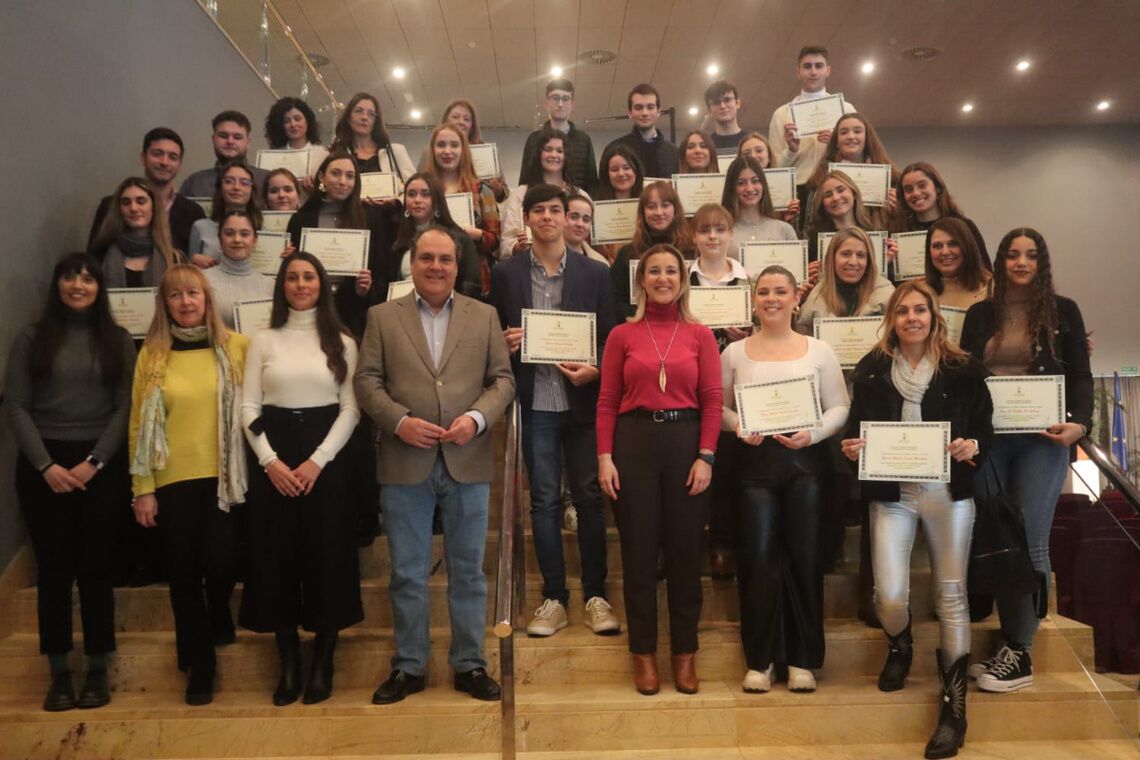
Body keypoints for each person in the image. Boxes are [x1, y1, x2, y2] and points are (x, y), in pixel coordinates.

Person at [355, 226, 515, 705]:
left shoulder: (484, 315)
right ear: (412, 262)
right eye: (427, 258)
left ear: (457, 265)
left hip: (467, 459)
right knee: (406, 571)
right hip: (406, 461)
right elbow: (366, 381)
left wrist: (476, 418)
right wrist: (399, 422)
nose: (436, 267)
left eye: (445, 259)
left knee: (468, 571)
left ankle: (469, 664)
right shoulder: (383, 317)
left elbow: (502, 381)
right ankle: (409, 666)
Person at [842, 279, 993, 758]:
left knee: (952, 596)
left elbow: (984, 429)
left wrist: (973, 445)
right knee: (888, 595)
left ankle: (953, 708)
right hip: (892, 494)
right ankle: (900, 644)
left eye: (920, 310)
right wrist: (852, 448)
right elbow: (853, 432)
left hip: (948, 494)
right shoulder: (870, 371)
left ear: (934, 317)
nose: (911, 317)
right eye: (902, 310)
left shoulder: (963, 370)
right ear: (892, 318)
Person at [960, 228, 1092, 694]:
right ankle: (1009, 645)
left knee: (1030, 537)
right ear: (1000, 262)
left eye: (1030, 255)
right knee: (997, 535)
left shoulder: (1064, 311)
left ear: (1042, 262)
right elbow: (967, 376)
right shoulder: (980, 314)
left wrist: (1081, 424)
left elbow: (1080, 374)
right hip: (990, 441)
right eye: (1012, 255)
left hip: (1042, 441)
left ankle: (1021, 652)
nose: (1021, 262)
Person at [4, 253, 135, 712]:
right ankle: (59, 671)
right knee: (55, 571)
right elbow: (16, 405)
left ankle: (98, 667)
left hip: (100, 464)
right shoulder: (31, 338)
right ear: (57, 284)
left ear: (100, 288)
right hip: (45, 466)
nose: (78, 285)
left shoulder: (117, 340)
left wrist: (95, 461)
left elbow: (125, 408)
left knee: (97, 568)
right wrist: (46, 466)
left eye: (87, 279)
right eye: (69, 277)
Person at [491, 184, 619, 637]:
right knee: (544, 501)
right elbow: (493, 335)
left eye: (556, 210)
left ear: (569, 218)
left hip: (582, 400)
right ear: (525, 218)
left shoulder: (595, 273)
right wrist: (505, 343)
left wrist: (597, 368)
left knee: (588, 498)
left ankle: (596, 596)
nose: (548, 217)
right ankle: (553, 598)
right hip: (536, 403)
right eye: (539, 210)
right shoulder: (505, 274)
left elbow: (612, 338)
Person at [597, 243, 722, 696]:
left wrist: (706, 455)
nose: (663, 278)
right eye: (655, 271)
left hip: (686, 443)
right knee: (639, 556)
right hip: (634, 445)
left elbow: (713, 400)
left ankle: (684, 655)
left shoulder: (700, 335)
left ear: (682, 280)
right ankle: (644, 655)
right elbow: (607, 400)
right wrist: (605, 457)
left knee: (687, 555)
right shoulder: (621, 336)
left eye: (672, 271)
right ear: (642, 280)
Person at [239, 252, 363, 706]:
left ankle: (322, 662)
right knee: (276, 560)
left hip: (325, 463)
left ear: (323, 284)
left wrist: (318, 460)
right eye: (292, 277)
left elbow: (351, 408)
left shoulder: (343, 343)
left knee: (327, 559)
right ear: (282, 286)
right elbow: (248, 407)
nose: (301, 284)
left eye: (309, 276)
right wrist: (270, 461)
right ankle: (288, 663)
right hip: (275, 463)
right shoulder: (263, 339)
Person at [722, 264, 849, 695]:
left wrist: (812, 433)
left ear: (797, 298)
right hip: (755, 468)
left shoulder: (819, 350)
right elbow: (717, 408)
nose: (772, 299)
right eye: (763, 293)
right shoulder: (734, 354)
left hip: (805, 466)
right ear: (753, 301)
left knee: (805, 558)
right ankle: (759, 661)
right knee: (757, 559)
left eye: (781, 291)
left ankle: (802, 659)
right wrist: (739, 424)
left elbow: (839, 406)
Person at [128, 265, 249, 706]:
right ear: (165, 303)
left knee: (221, 565)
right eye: (175, 295)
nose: (185, 301)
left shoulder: (236, 347)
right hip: (171, 479)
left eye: (193, 293)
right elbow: (139, 421)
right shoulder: (152, 355)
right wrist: (143, 487)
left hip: (224, 478)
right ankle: (201, 666)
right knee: (181, 576)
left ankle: (218, 608)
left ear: (207, 298)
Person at [688, 204, 750, 579]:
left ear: (731, 234)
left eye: (720, 229)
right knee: (686, 465)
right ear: (693, 235)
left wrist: (748, 334)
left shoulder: (748, 281)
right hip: (686, 382)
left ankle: (722, 543)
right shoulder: (681, 277)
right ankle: (683, 544)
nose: (712, 237)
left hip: (732, 387)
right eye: (705, 230)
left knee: (724, 468)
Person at [285, 150, 399, 338]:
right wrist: (288, 259)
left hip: (355, 316)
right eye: (335, 173)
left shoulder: (370, 218)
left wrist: (366, 289)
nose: (342, 181)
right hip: (311, 312)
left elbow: (383, 273)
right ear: (322, 176)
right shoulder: (301, 220)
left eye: (350, 176)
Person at [88, 127, 205, 254]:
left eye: (172, 157)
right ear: (143, 158)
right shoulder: (110, 206)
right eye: (157, 154)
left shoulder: (193, 212)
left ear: (179, 165)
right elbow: (93, 263)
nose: (164, 162)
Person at [767, 46, 857, 201]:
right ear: (798, 72)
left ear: (828, 71)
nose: (813, 72)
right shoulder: (781, 114)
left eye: (819, 66)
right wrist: (791, 150)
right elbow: (773, 169)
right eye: (807, 66)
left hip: (838, 188)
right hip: (798, 190)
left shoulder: (846, 110)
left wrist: (836, 147)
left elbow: (861, 157)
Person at [423, 123, 502, 293]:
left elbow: (495, 240)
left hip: (473, 279)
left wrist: (477, 235)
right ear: (433, 150)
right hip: (431, 277)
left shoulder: (482, 190)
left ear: (463, 150)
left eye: (454, 145)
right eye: (441, 145)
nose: (447, 151)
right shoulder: (424, 191)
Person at [387, 172, 482, 299]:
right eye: (411, 194)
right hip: (404, 312)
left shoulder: (459, 239)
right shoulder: (396, 241)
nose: (417, 200)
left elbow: (471, 285)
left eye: (425, 194)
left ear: (437, 200)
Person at [610, 181, 694, 318]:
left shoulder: (691, 251)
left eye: (665, 205)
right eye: (651, 207)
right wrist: (639, 318)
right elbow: (616, 300)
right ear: (643, 212)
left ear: (675, 209)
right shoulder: (627, 254)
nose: (658, 212)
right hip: (639, 329)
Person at [499, 128, 586, 260]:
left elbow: (589, 240)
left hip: (574, 269)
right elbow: (505, 244)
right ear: (538, 154)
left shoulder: (581, 196)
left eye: (559, 151)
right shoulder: (519, 195)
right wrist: (518, 246)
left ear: (566, 156)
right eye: (548, 149)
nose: (554, 155)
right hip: (529, 267)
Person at [803, 113, 899, 231]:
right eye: (844, 132)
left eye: (857, 131)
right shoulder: (821, 178)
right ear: (836, 141)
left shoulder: (890, 179)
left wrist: (896, 212)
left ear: (867, 138)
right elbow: (811, 223)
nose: (851, 136)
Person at [893, 162, 991, 271]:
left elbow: (985, 270)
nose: (915, 193)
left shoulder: (964, 226)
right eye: (908, 189)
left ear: (938, 188)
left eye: (922, 185)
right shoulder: (899, 233)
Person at [797, 228, 895, 333]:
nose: (853, 262)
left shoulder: (888, 298)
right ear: (832, 258)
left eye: (860, 255)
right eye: (846, 254)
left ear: (868, 261)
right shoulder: (814, 300)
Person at [90, 177, 182, 288]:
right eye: (126, 202)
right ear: (119, 209)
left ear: (154, 206)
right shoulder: (100, 255)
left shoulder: (173, 258)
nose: (133, 208)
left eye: (141, 201)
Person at [519, 79, 598, 195]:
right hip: (541, 202)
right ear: (546, 103)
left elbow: (592, 182)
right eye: (555, 98)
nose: (560, 104)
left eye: (565, 99)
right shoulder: (534, 139)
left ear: (571, 105)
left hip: (576, 203)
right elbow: (525, 179)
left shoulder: (584, 140)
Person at [420, 99, 508, 202]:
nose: (461, 122)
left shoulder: (487, 152)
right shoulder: (430, 152)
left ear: (472, 125)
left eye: (466, 119)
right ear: (446, 121)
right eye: (455, 117)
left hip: (482, 209)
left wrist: (499, 191)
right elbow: (420, 183)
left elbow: (505, 192)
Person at [202, 210, 275, 329]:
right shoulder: (202, 279)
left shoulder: (271, 285)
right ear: (220, 239)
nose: (237, 239)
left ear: (254, 241)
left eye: (244, 234)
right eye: (229, 233)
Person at [720, 156, 798, 261]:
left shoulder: (784, 230)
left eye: (755, 181)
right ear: (732, 188)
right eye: (741, 183)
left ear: (763, 185)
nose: (749, 188)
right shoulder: (721, 232)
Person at [329, 92, 416, 184]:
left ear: (376, 121)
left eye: (371, 114)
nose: (364, 117)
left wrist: (396, 198)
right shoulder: (335, 153)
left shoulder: (396, 152)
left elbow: (413, 187)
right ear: (348, 118)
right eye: (358, 111)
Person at [187, 162, 263, 267]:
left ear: (252, 190)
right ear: (220, 187)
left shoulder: (264, 229)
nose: (236, 187)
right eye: (229, 181)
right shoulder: (200, 227)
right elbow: (189, 273)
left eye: (244, 182)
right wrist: (192, 261)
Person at [179, 110, 269, 197]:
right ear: (213, 140)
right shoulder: (194, 183)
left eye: (237, 137)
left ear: (248, 143)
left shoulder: (266, 180)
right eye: (223, 136)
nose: (230, 141)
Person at [604, 83, 680, 180]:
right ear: (630, 113)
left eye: (650, 107)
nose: (645, 113)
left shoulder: (674, 152)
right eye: (638, 108)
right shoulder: (614, 149)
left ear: (658, 112)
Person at [920, 218, 992, 311]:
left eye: (953, 244)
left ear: (967, 246)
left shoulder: (992, 289)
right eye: (937, 246)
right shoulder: (920, 291)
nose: (945, 252)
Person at [263, 96, 328, 189]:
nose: (293, 124)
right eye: (287, 121)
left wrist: (317, 186)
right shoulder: (274, 157)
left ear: (307, 121)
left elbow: (326, 188)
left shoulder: (323, 154)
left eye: (297, 119)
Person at [563, 193, 611, 266]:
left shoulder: (600, 263)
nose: (580, 224)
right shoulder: (543, 258)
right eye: (573, 217)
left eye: (586, 219)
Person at [704, 80, 746, 152]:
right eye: (716, 102)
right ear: (709, 110)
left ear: (737, 103)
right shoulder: (705, 146)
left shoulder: (752, 143)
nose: (722, 106)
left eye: (727, 100)